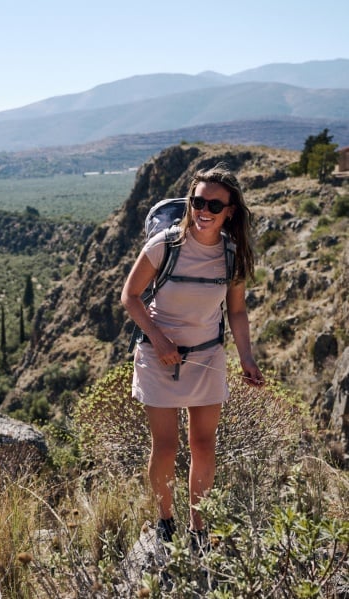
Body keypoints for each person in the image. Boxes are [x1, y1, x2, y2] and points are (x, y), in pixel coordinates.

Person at [121, 163, 265, 547]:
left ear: (230, 211)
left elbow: (236, 310)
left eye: (214, 205)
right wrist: (160, 339)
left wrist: (247, 358)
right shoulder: (164, 245)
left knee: (203, 445)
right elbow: (130, 296)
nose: (203, 210)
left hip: (207, 358)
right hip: (157, 356)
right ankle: (165, 521)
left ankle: (198, 527)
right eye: (197, 201)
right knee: (165, 447)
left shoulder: (232, 256)